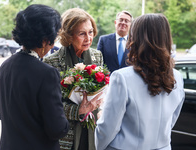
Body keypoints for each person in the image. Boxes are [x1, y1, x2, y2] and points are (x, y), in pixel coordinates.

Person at [95, 14, 185, 150]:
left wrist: (98, 145)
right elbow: (171, 121)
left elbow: (108, 128)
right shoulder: (177, 77)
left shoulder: (122, 78)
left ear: (135, 38)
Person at [0, 4, 69, 150]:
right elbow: (57, 129)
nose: (53, 44)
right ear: (44, 40)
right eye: (53, 38)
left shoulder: (5, 66)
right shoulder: (46, 73)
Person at [43, 8, 103, 150]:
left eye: (90, 32)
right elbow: (49, 106)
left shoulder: (97, 56)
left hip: (93, 129)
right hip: (65, 136)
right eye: (82, 33)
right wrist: (78, 111)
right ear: (68, 35)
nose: (88, 38)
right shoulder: (51, 62)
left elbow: (100, 92)